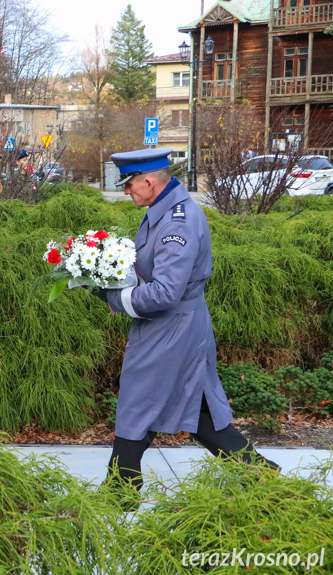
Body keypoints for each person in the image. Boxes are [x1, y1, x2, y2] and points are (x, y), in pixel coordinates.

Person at [97, 148, 279, 497]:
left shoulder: (177, 221)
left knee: (138, 403)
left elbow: (165, 292)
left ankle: (120, 491)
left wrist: (116, 299)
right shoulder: (163, 211)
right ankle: (262, 478)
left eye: (129, 184)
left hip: (173, 329)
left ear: (149, 181)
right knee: (196, 412)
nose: (126, 191)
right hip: (173, 328)